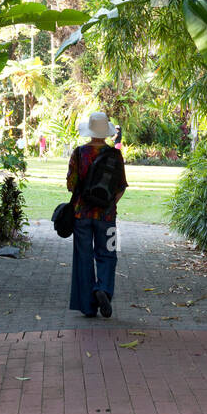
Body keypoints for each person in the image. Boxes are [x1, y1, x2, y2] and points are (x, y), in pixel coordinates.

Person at [66, 110, 128, 318]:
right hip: (107, 218)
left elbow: (70, 185)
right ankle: (103, 289)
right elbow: (121, 186)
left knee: (83, 258)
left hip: (81, 215)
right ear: (106, 132)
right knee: (109, 254)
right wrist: (108, 205)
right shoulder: (115, 155)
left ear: (90, 131)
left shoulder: (79, 153)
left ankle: (88, 305)